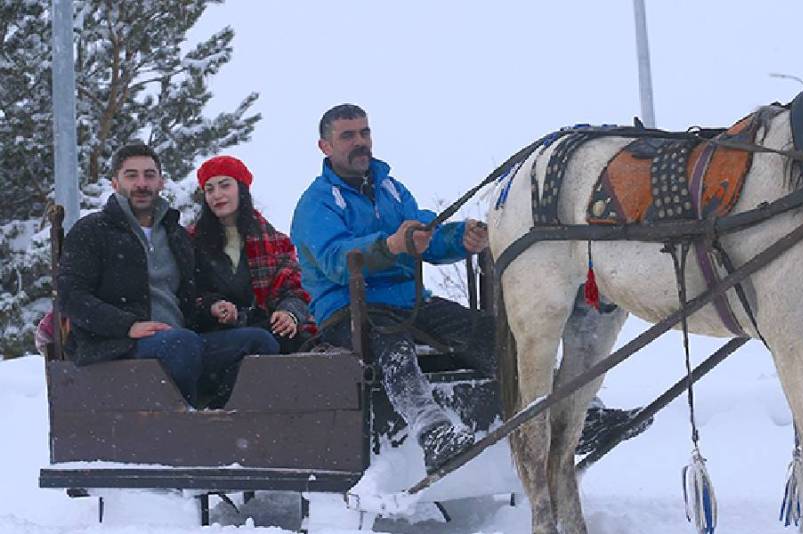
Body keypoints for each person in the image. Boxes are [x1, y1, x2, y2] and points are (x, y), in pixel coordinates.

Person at [291, 104, 649, 470]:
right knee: (391, 344)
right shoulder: (316, 203)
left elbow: (426, 233)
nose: (360, 142)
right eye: (348, 136)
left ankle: (578, 414)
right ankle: (432, 431)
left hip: (408, 303)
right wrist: (391, 246)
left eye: (364, 133)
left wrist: (461, 237)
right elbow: (335, 260)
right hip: (348, 311)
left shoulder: (391, 190)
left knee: (490, 334)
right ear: (325, 146)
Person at [56, 143, 280, 408]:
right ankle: (184, 422)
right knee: (180, 344)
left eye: (149, 175)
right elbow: (71, 296)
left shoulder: (178, 236)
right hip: (118, 344)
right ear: (115, 183)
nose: (142, 183)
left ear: (161, 182)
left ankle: (221, 415)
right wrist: (128, 326)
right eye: (132, 175)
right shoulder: (92, 231)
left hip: (184, 341)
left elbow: (195, 295)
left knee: (259, 341)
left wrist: (213, 307)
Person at [190, 155, 315, 354]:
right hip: (214, 334)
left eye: (224, 185)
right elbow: (188, 293)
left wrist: (288, 314)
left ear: (241, 189)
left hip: (267, 328)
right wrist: (213, 306)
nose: (217, 195)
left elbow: (296, 290)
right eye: (209, 189)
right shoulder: (191, 242)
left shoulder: (276, 242)